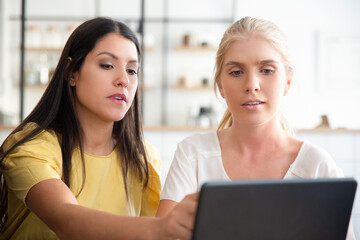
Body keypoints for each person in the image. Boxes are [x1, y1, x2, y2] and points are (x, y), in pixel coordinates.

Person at [156, 16, 355, 239]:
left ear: (287, 82)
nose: (251, 85)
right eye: (236, 72)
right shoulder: (192, 154)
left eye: (267, 70)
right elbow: (162, 234)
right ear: (220, 85)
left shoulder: (318, 167)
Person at [0, 17, 197, 240]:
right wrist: (161, 228)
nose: (123, 80)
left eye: (132, 70)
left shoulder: (143, 157)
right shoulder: (30, 147)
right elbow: (66, 221)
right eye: (107, 65)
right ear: (71, 72)